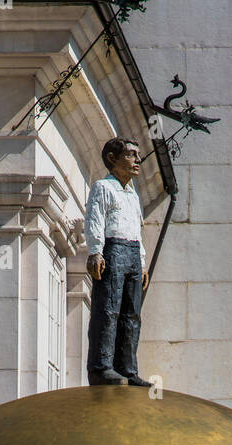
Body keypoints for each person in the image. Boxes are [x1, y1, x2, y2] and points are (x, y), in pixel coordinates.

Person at [84, 137, 150, 387]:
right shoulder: (103, 187)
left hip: (132, 252)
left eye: (138, 154)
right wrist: (95, 251)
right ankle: (102, 366)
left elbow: (137, 229)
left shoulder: (133, 196)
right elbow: (95, 219)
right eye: (131, 154)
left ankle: (127, 368)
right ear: (113, 158)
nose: (137, 160)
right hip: (112, 250)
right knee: (108, 309)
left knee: (131, 313)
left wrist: (142, 262)